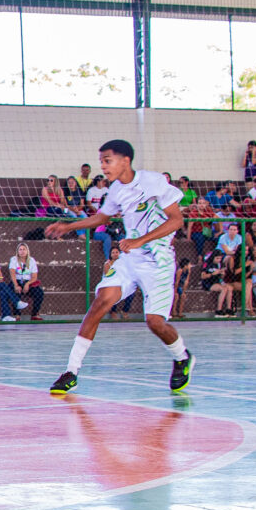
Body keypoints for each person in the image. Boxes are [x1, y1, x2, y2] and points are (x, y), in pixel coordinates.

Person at [45, 139, 193, 395]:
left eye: (107, 160)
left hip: (158, 261)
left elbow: (177, 219)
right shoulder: (115, 189)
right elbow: (103, 217)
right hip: (130, 259)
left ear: (125, 161)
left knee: (155, 323)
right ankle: (71, 371)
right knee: (102, 301)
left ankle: (182, 357)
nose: (102, 166)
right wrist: (68, 226)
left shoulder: (153, 181)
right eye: (101, 161)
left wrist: (140, 240)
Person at [9, 242, 44, 320]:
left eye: (24, 249)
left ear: (27, 251)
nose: (22, 251)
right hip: (16, 281)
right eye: (20, 250)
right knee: (15, 291)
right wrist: (16, 285)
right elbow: (12, 273)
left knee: (39, 293)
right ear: (17, 251)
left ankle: (34, 314)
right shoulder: (14, 259)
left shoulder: (31, 260)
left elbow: (34, 277)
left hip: (28, 281)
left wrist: (27, 284)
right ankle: (17, 314)